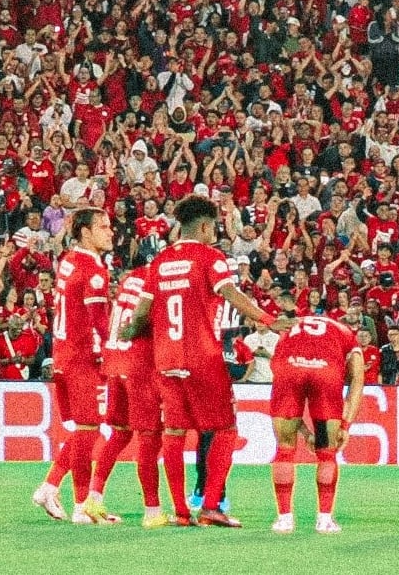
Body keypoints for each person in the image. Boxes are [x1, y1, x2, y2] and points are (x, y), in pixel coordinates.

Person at [141, 195, 282, 528]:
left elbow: (143, 313)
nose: (215, 231)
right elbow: (231, 294)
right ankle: (211, 507)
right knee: (225, 429)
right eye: (215, 226)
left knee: (174, 432)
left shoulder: (159, 262)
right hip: (202, 356)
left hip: (167, 357)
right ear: (204, 226)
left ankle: (180, 512)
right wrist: (268, 320)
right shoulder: (210, 257)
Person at [31, 208, 114, 525]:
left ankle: (49, 487)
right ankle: (81, 506)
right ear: (85, 232)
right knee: (89, 429)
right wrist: (117, 346)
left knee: (84, 430)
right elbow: (100, 322)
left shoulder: (68, 260)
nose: (110, 232)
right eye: (103, 227)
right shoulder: (94, 270)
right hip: (83, 358)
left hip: (63, 355)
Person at [268, 309, 365, 535]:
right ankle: (324, 520)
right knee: (327, 453)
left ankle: (284, 520)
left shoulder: (290, 328)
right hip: (326, 372)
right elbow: (357, 380)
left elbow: (278, 372)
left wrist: (305, 433)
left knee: (285, 450)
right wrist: (345, 426)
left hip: (290, 368)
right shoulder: (346, 333)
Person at [90, 261, 168, 529]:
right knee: (149, 438)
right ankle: (152, 510)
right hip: (139, 368)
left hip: (114, 363)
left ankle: (94, 498)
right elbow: (149, 321)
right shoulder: (157, 281)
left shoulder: (130, 279)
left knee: (120, 433)